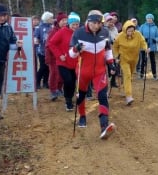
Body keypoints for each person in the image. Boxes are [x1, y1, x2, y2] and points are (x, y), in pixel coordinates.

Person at [69, 10, 116, 139]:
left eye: (99, 23)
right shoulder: (79, 33)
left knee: (102, 95)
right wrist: (76, 49)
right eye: (94, 23)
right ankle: (82, 116)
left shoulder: (105, 32)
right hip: (83, 71)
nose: (96, 26)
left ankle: (104, 125)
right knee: (81, 95)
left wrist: (111, 63)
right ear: (88, 21)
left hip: (99, 71)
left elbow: (107, 50)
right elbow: (71, 54)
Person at [49, 12, 81, 111]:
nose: (75, 26)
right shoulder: (62, 32)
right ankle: (68, 102)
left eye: (77, 24)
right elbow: (51, 43)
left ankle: (70, 98)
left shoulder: (80, 33)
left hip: (75, 62)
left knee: (73, 82)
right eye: (73, 24)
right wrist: (59, 55)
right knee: (68, 81)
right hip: (63, 62)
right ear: (69, 24)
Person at [113, 20, 149, 105]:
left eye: (132, 30)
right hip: (124, 59)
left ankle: (125, 88)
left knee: (130, 75)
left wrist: (145, 48)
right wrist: (116, 56)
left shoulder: (138, 34)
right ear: (125, 29)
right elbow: (115, 47)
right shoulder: (119, 36)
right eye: (129, 31)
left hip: (134, 59)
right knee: (127, 75)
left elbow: (143, 42)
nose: (131, 32)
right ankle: (128, 96)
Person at [45, 12, 67, 100]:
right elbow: (48, 45)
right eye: (63, 20)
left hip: (63, 57)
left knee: (62, 74)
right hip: (53, 57)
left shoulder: (66, 30)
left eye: (66, 20)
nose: (65, 22)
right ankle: (53, 91)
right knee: (54, 74)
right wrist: (50, 57)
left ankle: (59, 88)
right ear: (58, 21)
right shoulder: (53, 31)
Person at [35, 11, 54, 89]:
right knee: (42, 66)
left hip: (50, 51)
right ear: (46, 19)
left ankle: (46, 82)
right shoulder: (39, 27)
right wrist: (37, 40)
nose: (52, 19)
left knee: (48, 67)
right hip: (42, 50)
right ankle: (37, 82)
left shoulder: (52, 27)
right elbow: (36, 37)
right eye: (51, 18)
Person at [139, 13, 158, 80]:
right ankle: (141, 74)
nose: (149, 20)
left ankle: (154, 74)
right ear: (146, 19)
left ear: (152, 19)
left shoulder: (155, 27)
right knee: (143, 60)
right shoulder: (142, 26)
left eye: (150, 18)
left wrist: (155, 40)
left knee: (153, 61)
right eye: (148, 18)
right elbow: (139, 35)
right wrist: (143, 39)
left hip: (152, 46)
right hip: (144, 46)